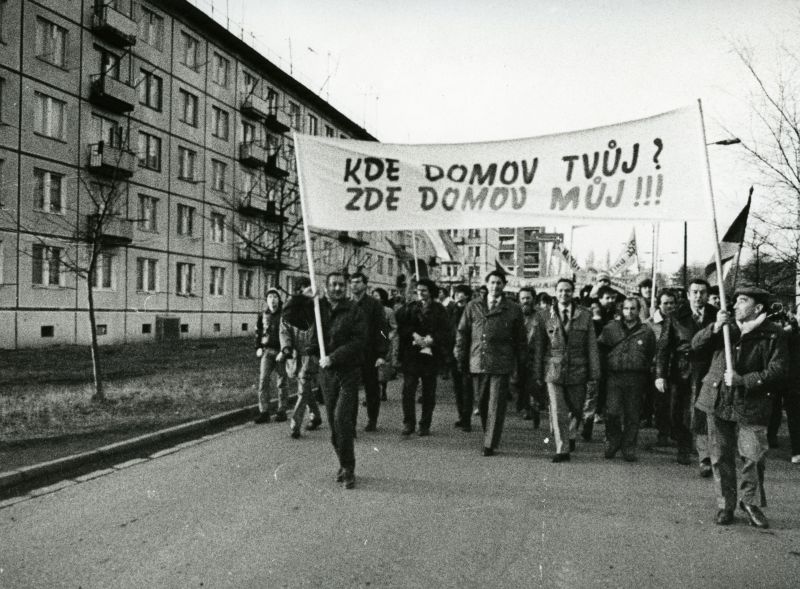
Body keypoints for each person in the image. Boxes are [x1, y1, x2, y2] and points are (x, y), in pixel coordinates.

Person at [692, 286, 788, 528]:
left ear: (757, 308)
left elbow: (778, 371)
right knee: (720, 456)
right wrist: (714, 327)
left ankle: (750, 502)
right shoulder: (727, 328)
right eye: (735, 300)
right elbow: (696, 346)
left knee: (753, 456)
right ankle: (726, 505)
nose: (735, 305)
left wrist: (743, 380)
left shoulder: (773, 334)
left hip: (752, 403)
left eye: (742, 300)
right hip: (718, 398)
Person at [282, 272, 366, 489]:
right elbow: (290, 316)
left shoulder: (354, 309)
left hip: (347, 371)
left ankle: (349, 468)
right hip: (326, 373)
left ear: (345, 287)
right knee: (333, 423)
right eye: (333, 285)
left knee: (341, 419)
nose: (337, 288)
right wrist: (303, 297)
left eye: (341, 285)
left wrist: (334, 357)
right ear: (326, 287)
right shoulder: (317, 308)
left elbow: (359, 340)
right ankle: (343, 462)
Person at [455, 271, 527, 456]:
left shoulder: (513, 308)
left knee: (496, 403)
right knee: (482, 402)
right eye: (492, 283)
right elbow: (463, 332)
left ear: (504, 285)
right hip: (478, 360)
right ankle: (489, 433)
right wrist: (460, 354)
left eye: (499, 283)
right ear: (486, 284)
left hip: (501, 362)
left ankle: (490, 443)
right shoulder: (473, 306)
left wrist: (520, 364)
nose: (495, 286)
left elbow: (520, 339)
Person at [533, 278, 601, 462]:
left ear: (573, 293)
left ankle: (570, 434)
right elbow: (539, 346)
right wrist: (537, 372)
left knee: (576, 408)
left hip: (578, 369)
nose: (564, 294)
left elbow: (592, 345)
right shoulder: (544, 315)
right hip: (553, 369)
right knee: (557, 409)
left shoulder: (585, 315)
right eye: (561, 290)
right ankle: (562, 448)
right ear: (555, 292)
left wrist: (594, 372)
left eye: (568, 291)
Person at [655, 278, 718, 473]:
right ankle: (683, 445)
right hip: (681, 370)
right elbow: (664, 348)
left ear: (707, 295)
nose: (699, 296)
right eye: (695, 292)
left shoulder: (717, 315)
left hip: (708, 368)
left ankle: (704, 456)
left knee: (703, 411)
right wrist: (660, 374)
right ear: (688, 295)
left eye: (702, 292)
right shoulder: (675, 316)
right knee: (677, 411)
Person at [598, 297, 656, 461]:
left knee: (633, 414)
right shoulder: (611, 328)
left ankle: (629, 446)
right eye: (626, 308)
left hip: (636, 377)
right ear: (621, 310)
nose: (629, 312)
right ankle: (613, 441)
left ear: (638, 311)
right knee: (612, 412)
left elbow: (650, 352)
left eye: (633, 309)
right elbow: (601, 349)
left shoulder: (646, 331)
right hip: (614, 376)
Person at [395, 278, 450, 436]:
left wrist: (432, 339)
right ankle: (409, 423)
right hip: (411, 354)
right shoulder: (410, 307)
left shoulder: (439, 309)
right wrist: (413, 334)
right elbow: (401, 326)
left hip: (430, 355)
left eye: (424, 290)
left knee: (428, 391)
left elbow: (446, 330)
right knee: (408, 390)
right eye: (418, 290)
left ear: (431, 292)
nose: (420, 293)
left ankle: (425, 424)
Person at [281, 277, 323, 438]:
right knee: (305, 390)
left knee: (303, 389)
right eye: (301, 289)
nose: (304, 292)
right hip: (294, 356)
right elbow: (283, 330)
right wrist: (286, 348)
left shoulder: (315, 309)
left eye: (307, 288)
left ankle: (295, 423)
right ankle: (316, 416)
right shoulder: (290, 308)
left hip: (309, 356)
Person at [349, 272, 389, 432]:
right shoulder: (347, 304)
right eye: (352, 282)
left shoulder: (374, 305)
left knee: (371, 389)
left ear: (365, 284)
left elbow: (383, 330)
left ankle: (372, 419)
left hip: (370, 353)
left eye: (358, 282)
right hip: (351, 353)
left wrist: (381, 354)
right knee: (349, 389)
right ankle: (350, 423)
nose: (354, 285)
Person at [582, 284, 618, 441]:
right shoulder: (593, 314)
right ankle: (586, 427)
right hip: (596, 361)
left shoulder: (616, 314)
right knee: (592, 397)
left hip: (611, 362)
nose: (610, 301)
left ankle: (609, 433)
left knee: (609, 398)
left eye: (612, 298)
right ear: (600, 299)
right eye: (607, 298)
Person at [646, 289, 677, 446]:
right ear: (659, 305)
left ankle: (676, 432)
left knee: (676, 403)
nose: (669, 306)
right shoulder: (649, 324)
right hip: (657, 369)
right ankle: (662, 433)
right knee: (661, 403)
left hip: (677, 367)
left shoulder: (680, 322)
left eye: (672, 303)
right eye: (666, 303)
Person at [254, 288, 289, 423]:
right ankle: (264, 411)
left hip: (280, 351)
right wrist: (258, 347)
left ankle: (282, 410)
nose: (272, 299)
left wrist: (285, 350)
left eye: (275, 297)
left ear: (279, 299)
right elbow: (258, 331)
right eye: (270, 297)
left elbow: (288, 333)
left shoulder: (284, 315)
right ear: (266, 300)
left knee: (282, 382)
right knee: (263, 381)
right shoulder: (263, 315)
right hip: (267, 351)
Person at [449, 284, 475, 431]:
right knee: (457, 387)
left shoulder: (471, 310)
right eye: (457, 293)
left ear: (467, 295)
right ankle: (461, 415)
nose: (459, 295)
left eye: (462, 293)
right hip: (454, 353)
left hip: (468, 353)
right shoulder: (451, 311)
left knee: (467, 388)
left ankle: (467, 419)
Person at [513, 286, 539, 424]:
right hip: (518, 356)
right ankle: (523, 404)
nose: (525, 301)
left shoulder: (540, 316)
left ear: (533, 299)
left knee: (532, 383)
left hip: (534, 356)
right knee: (518, 382)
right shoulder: (514, 315)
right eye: (522, 298)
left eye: (528, 298)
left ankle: (531, 408)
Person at [372, 287, 398, 401]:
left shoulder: (388, 311)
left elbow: (394, 327)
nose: (374, 297)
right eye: (372, 295)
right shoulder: (368, 310)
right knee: (371, 368)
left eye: (376, 295)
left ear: (382, 298)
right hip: (371, 343)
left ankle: (383, 389)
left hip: (384, 341)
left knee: (383, 368)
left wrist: (389, 337)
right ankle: (373, 393)